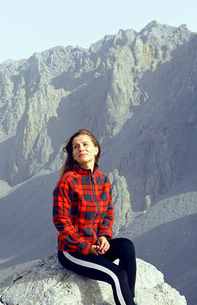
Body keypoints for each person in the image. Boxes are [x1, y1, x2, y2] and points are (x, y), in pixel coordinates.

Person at [52, 129, 137, 305]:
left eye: (85, 144)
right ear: (73, 155)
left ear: (96, 149)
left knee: (126, 245)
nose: (80, 148)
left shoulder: (103, 180)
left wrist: (104, 236)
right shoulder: (67, 181)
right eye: (75, 147)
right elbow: (61, 221)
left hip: (95, 247)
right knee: (117, 274)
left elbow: (107, 213)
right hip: (73, 252)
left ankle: (130, 300)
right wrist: (85, 246)